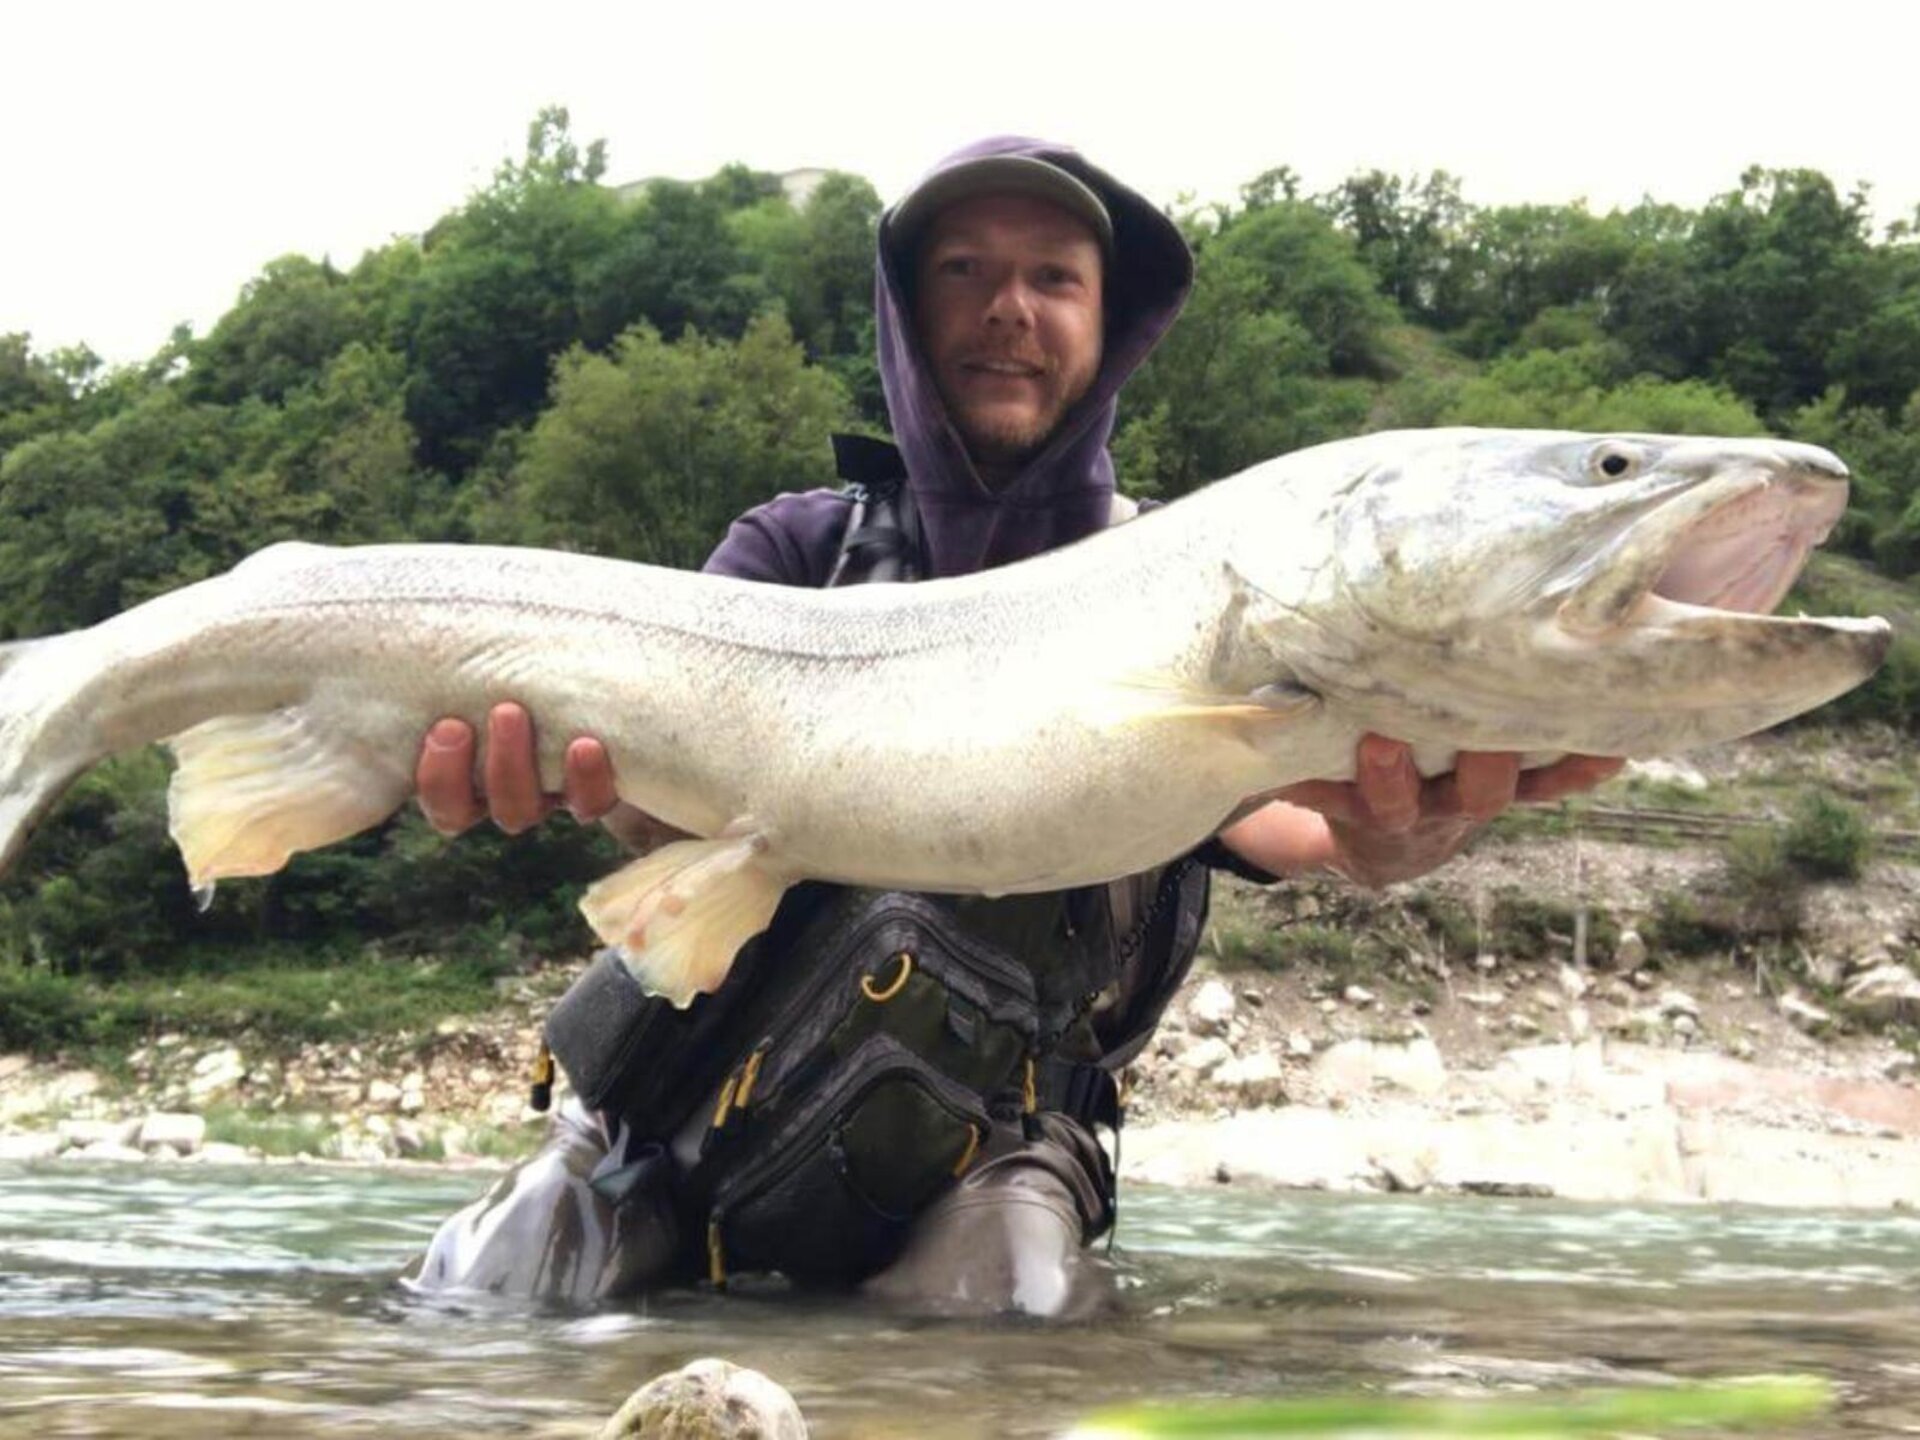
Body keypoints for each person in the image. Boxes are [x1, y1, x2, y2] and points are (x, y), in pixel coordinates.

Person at [404, 137, 1621, 1313]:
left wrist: (1399, 835)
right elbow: (660, 823)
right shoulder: (793, 551)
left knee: (1016, 1330)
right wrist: (576, 785)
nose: (1010, 309)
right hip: (676, 1105)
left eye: (1054, 278)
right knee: (498, 1294)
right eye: (965, 270)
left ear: (1109, 322)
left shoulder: (1199, 591)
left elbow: (1307, 829)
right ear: (905, 309)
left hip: (991, 1153)